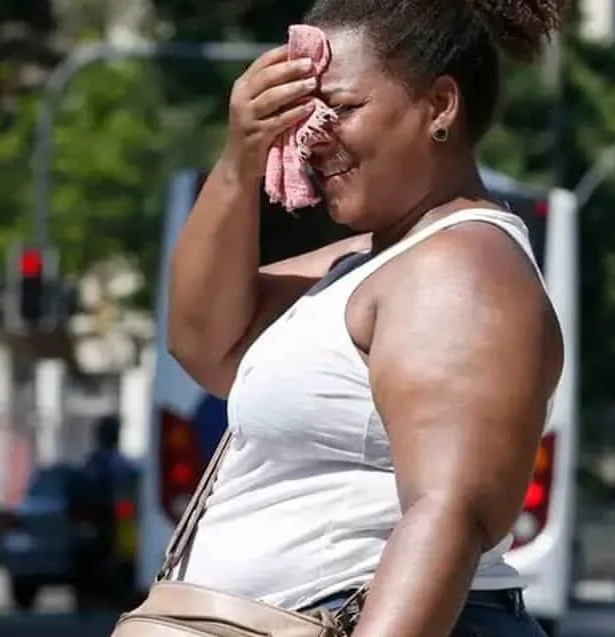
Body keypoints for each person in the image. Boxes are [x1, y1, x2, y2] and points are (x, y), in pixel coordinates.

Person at [166, 1, 566, 635]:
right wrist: (241, 158)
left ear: (440, 105)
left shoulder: (459, 270)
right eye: (302, 115)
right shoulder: (367, 263)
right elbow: (203, 343)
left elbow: (447, 514)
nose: (312, 137)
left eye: (342, 109)